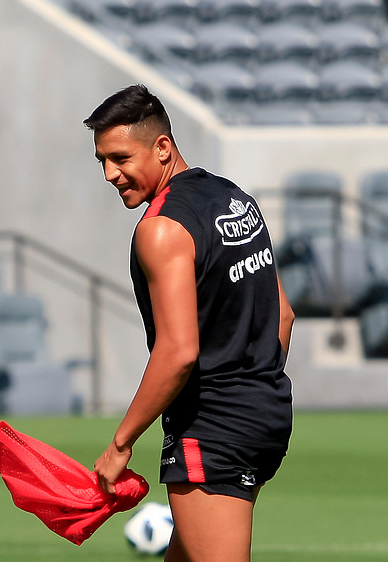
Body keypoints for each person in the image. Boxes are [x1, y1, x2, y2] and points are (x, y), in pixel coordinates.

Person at [86, 85, 294, 561]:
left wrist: (121, 444)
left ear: (163, 147)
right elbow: (282, 313)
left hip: (214, 426)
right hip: (266, 412)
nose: (109, 174)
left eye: (120, 157)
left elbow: (178, 353)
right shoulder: (232, 196)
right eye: (101, 160)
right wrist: (254, 388)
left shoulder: (161, 228)